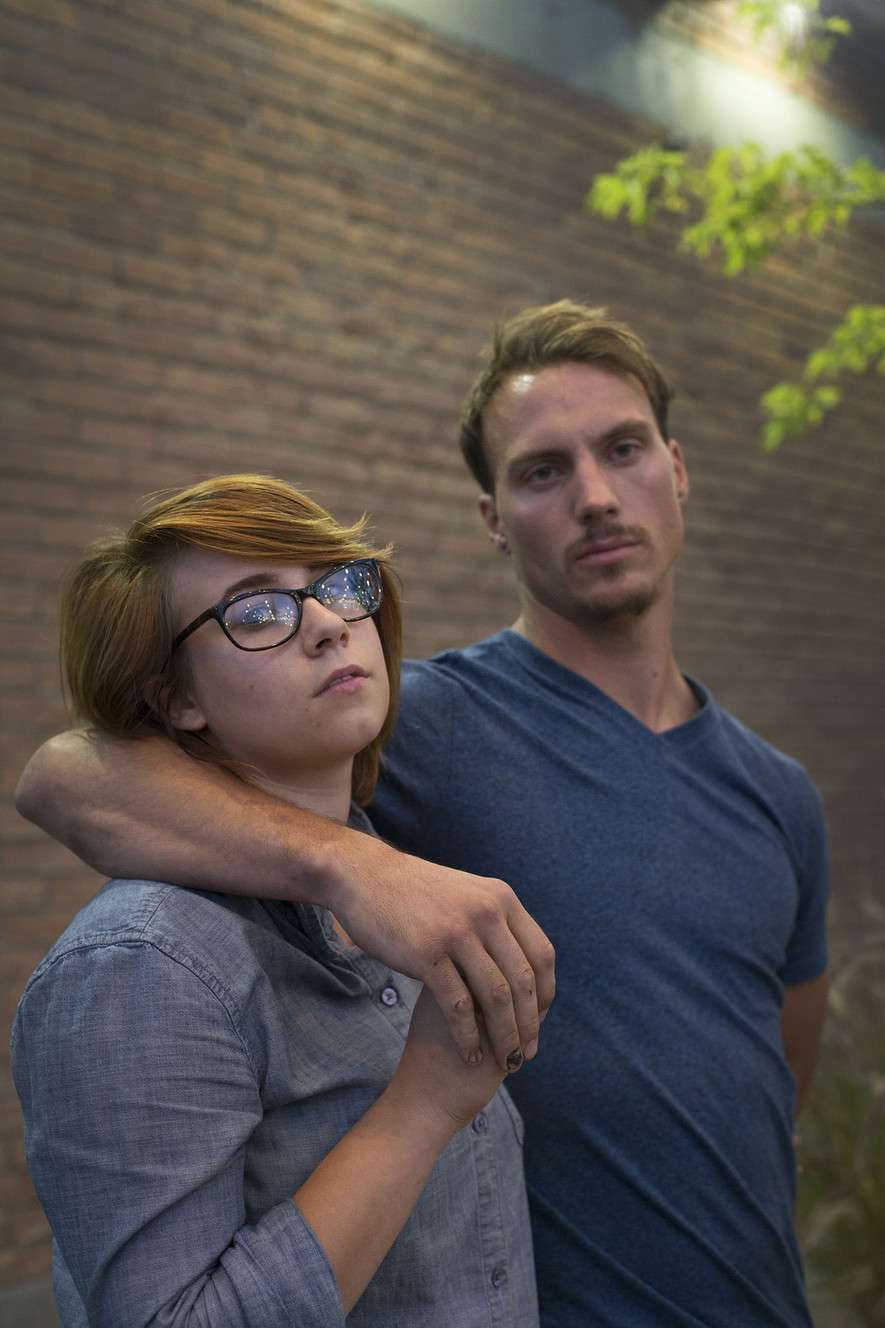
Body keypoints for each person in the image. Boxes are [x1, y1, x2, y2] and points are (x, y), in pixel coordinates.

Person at [17, 301, 830, 1326]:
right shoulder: (417, 722)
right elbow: (67, 774)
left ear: (676, 467)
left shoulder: (780, 791)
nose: (594, 496)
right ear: (492, 516)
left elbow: (778, 1081)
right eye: (542, 470)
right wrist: (353, 864)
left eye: (623, 449)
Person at [11, 474, 539, 1328]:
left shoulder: (399, 900)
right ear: (175, 698)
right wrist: (423, 1104)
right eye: (256, 612)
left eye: (337, 584)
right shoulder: (140, 966)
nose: (329, 623)